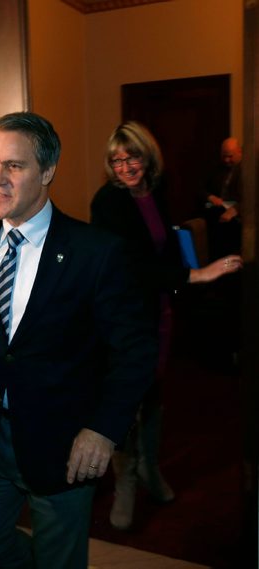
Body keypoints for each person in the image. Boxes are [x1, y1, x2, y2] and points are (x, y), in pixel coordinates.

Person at [0, 111, 158, 569]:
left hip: (65, 442)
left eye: (13, 166)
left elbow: (135, 352)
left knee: (60, 558)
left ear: (48, 171)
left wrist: (103, 430)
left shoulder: (96, 251)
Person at [90, 121, 243, 531]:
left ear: (147, 156)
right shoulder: (107, 202)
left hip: (159, 310)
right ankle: (125, 479)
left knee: (154, 392)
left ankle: (149, 469)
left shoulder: (155, 191)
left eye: (132, 157)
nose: (125, 168)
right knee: (127, 396)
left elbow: (165, 247)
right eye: (116, 161)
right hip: (123, 317)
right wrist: (199, 275)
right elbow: (132, 267)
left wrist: (186, 271)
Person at [203, 137, 243, 260]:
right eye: (224, 156)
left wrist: (236, 209)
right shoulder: (216, 168)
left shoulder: (249, 169)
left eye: (230, 156)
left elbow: (253, 197)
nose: (226, 160)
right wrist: (210, 197)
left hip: (237, 220)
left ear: (239, 152)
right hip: (216, 214)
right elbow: (200, 188)